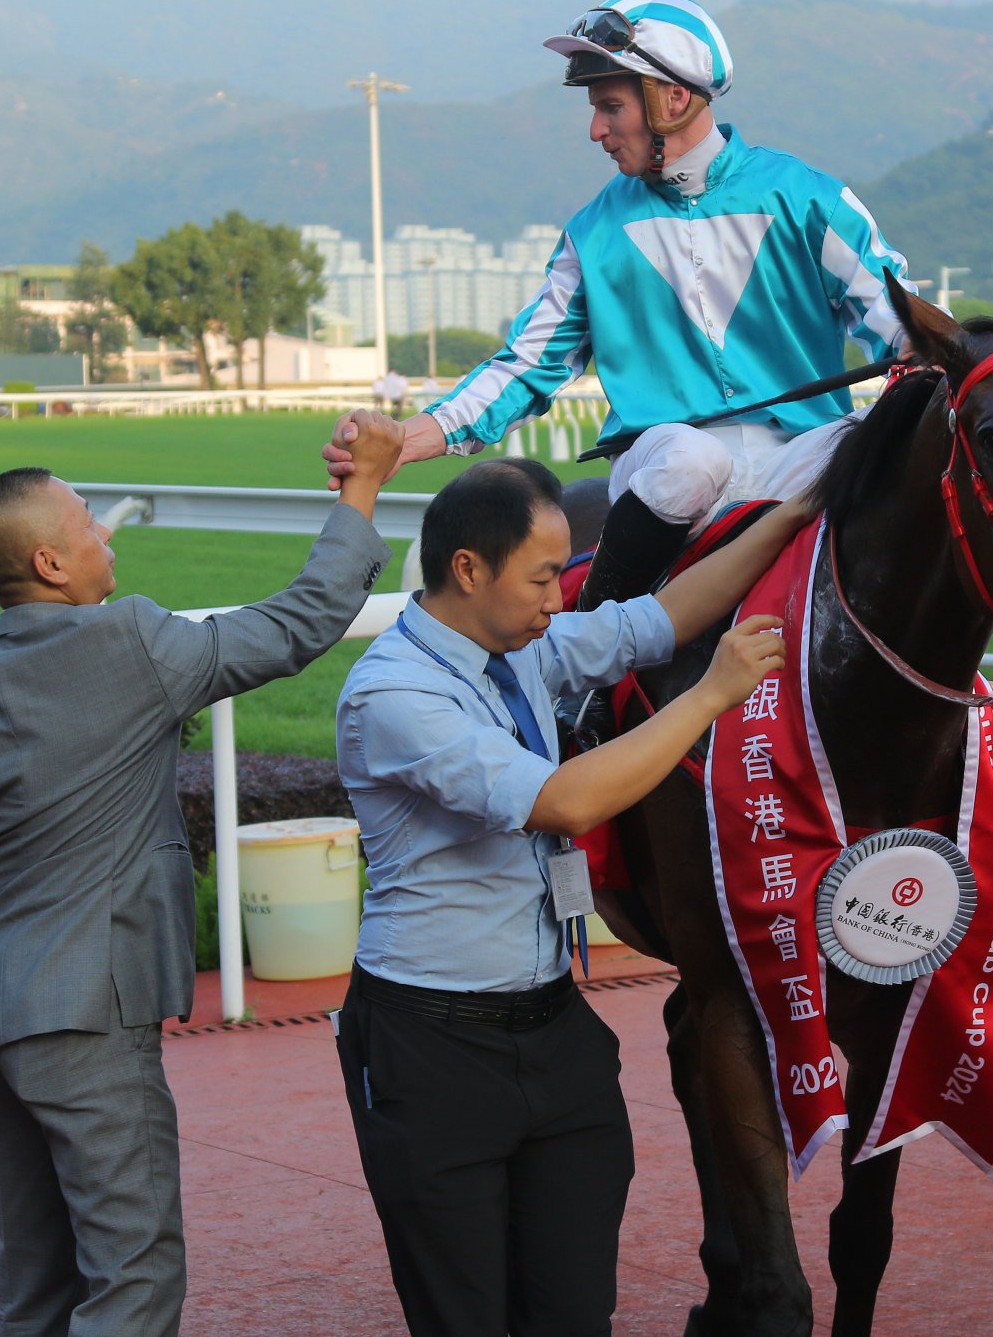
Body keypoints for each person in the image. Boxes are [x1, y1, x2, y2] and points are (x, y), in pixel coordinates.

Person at [0, 412, 404, 1336]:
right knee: (133, 1275)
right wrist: (362, 489)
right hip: (90, 1014)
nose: (104, 533)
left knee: (37, 1279)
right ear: (51, 564)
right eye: (88, 521)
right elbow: (298, 624)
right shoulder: (131, 644)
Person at [333, 459, 816, 1335]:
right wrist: (711, 697)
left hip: (552, 1030)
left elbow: (661, 617)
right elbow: (568, 801)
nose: (562, 599)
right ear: (469, 570)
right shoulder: (395, 691)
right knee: (466, 1313)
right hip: (431, 1046)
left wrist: (794, 515)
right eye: (545, 576)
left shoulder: (520, 649)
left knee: (572, 1310)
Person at [323, 0, 912, 611]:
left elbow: (903, 323)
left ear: (673, 98)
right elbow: (528, 366)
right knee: (692, 458)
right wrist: (411, 437)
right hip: (664, 468)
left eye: (609, 107)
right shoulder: (593, 233)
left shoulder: (808, 199)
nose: (596, 130)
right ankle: (596, 667)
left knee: (878, 442)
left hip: (798, 459)